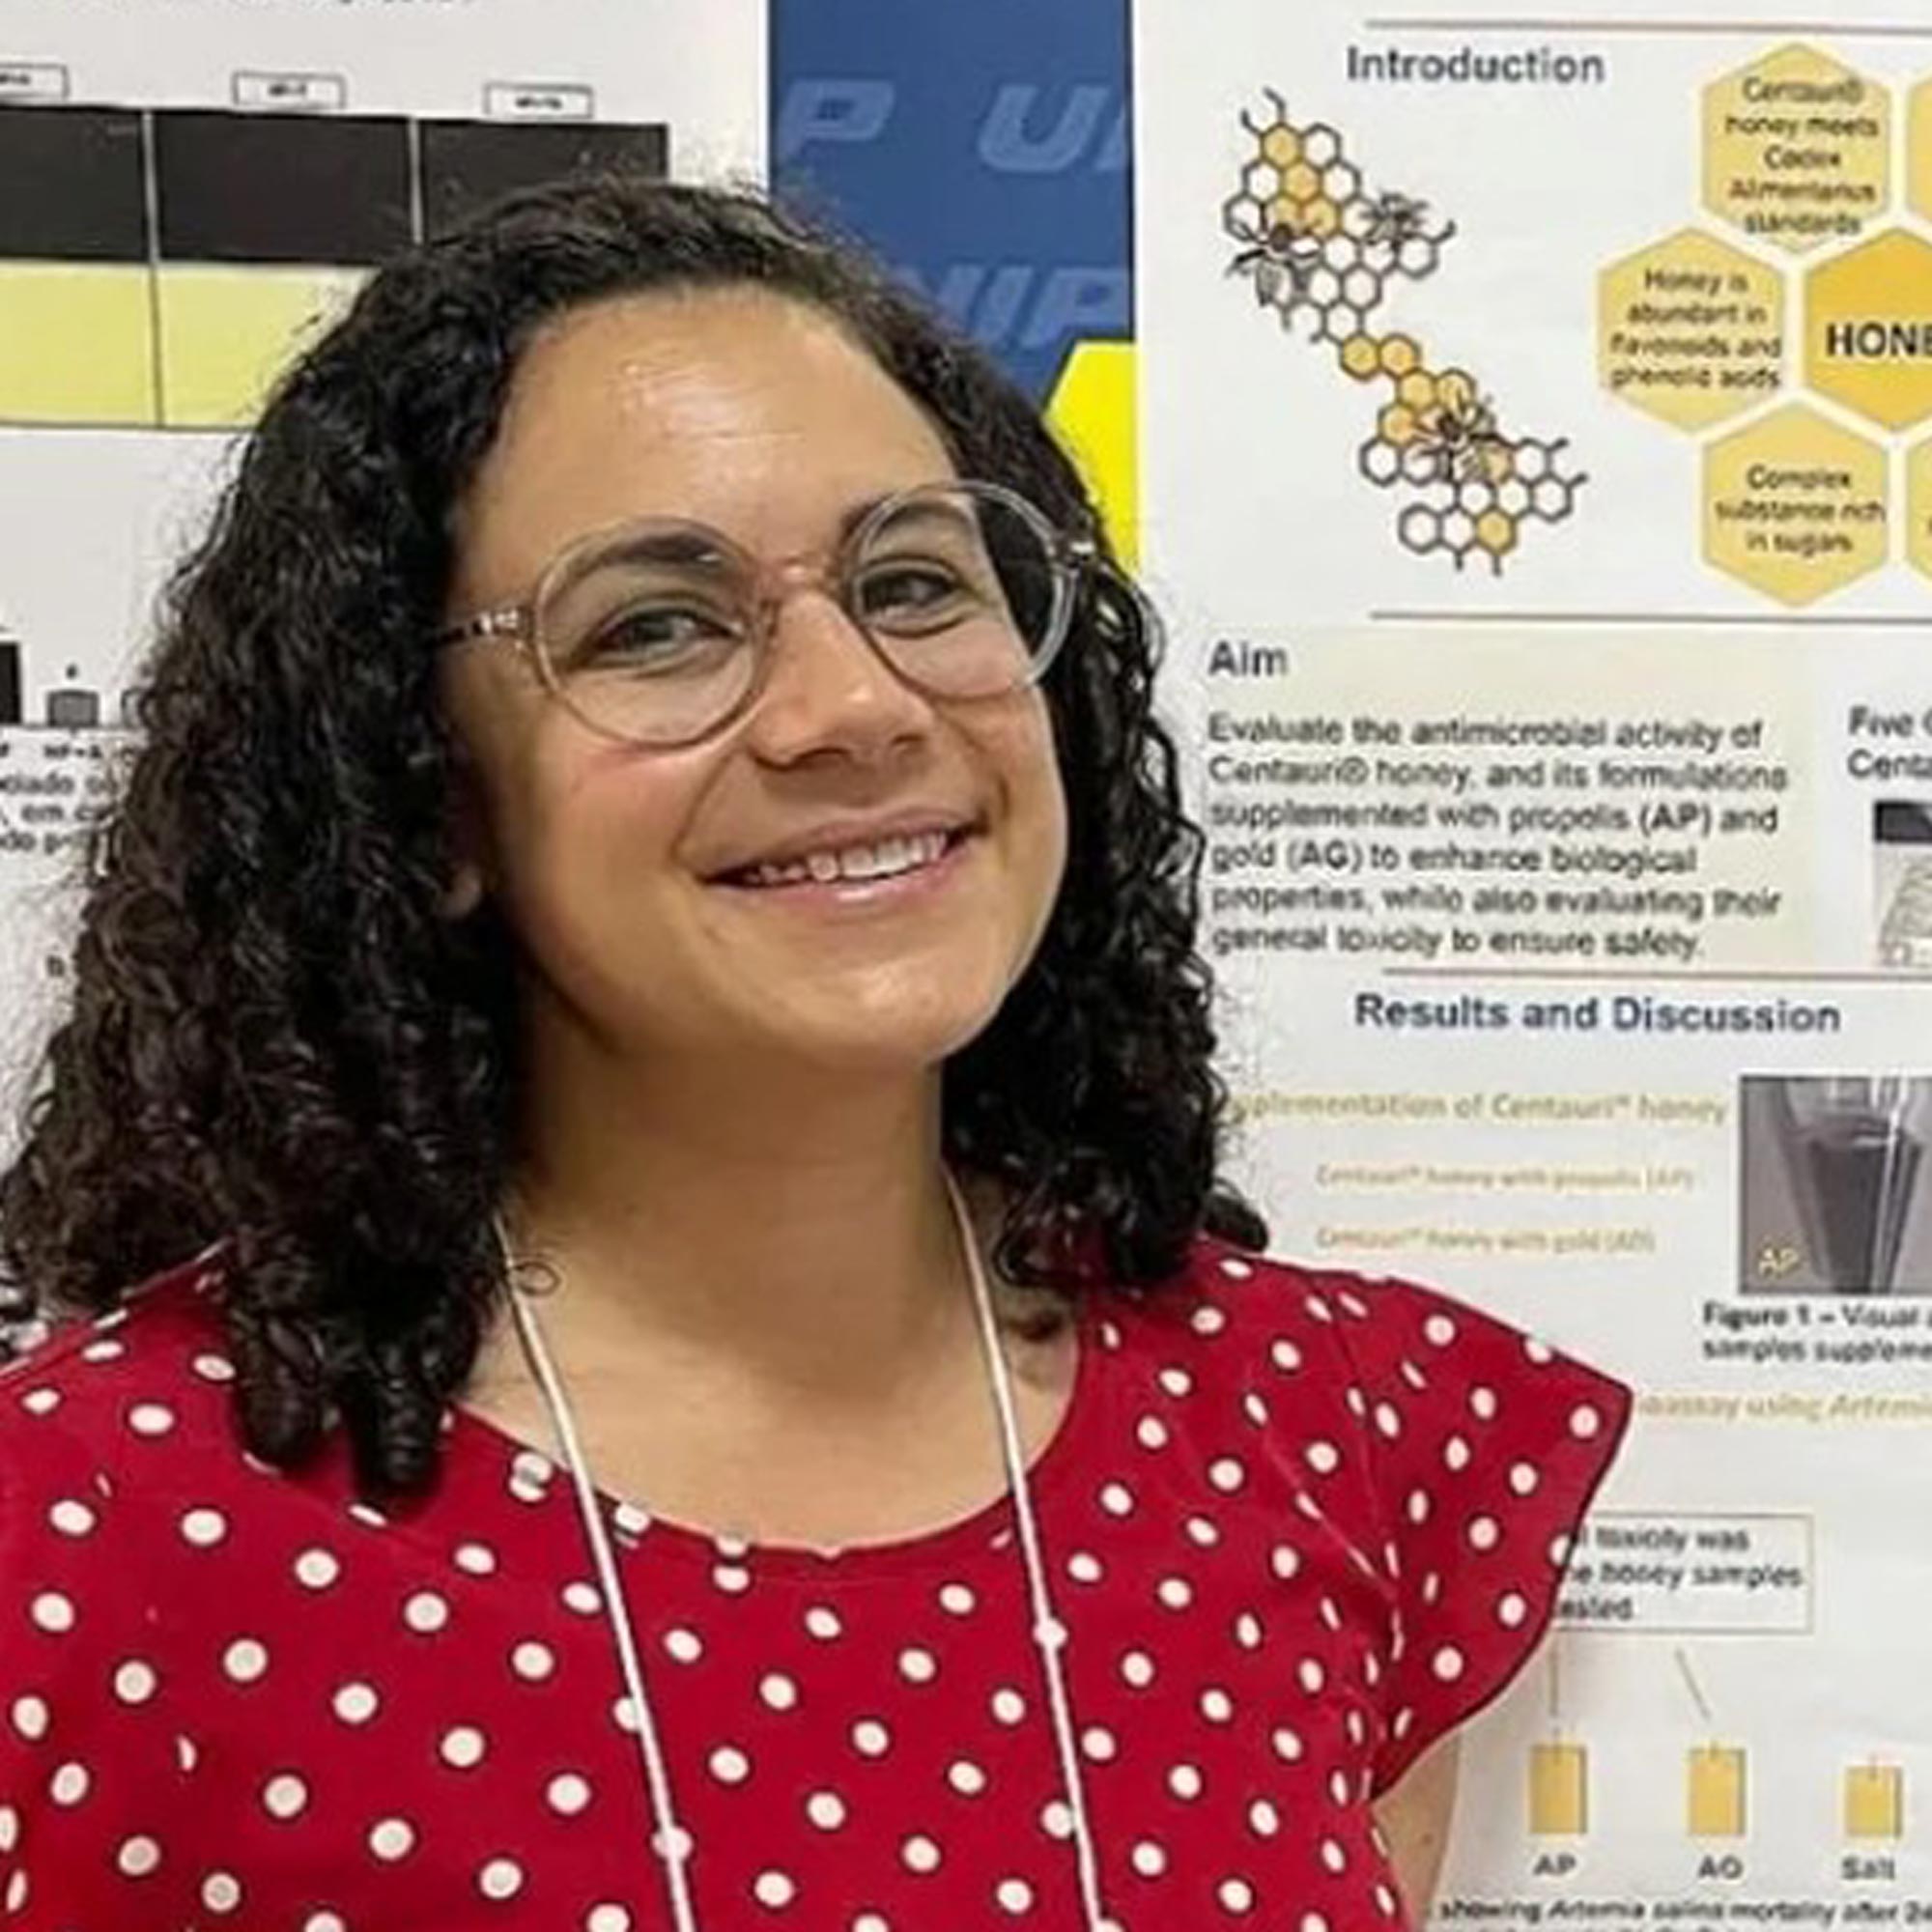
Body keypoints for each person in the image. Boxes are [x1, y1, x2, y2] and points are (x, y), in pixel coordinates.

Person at [0, 175, 1629, 1931]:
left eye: (915, 579)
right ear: (428, 793)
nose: (857, 706)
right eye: (654, 624)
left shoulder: (1332, 1431)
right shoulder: (86, 1533)